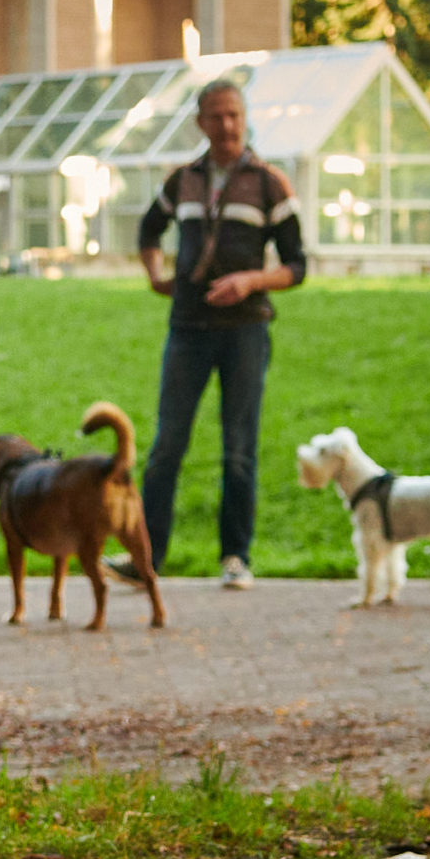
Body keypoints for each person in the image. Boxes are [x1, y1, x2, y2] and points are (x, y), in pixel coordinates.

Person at [114, 79, 306, 594]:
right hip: (188, 331)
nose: (226, 126)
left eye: (235, 116)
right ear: (200, 123)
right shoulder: (183, 181)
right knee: (166, 447)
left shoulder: (270, 184)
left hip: (245, 331)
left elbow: (297, 265)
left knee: (238, 448)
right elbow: (148, 230)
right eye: (216, 116)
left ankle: (236, 557)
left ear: (245, 120)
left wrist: (251, 281)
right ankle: (146, 557)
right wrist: (155, 272)